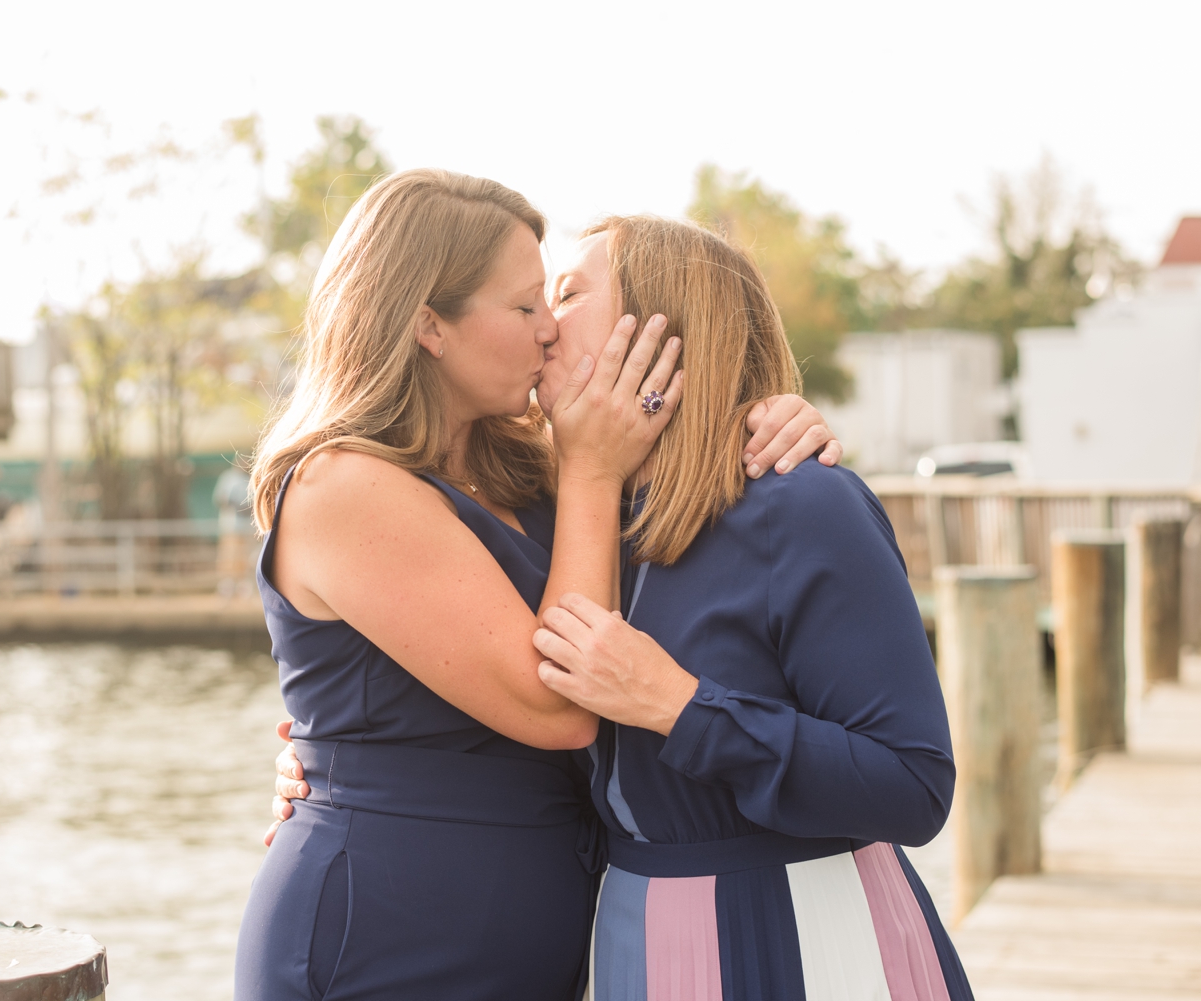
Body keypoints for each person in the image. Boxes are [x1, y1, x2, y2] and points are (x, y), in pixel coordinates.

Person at [237, 169, 839, 1001]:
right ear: (428, 325)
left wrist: (772, 418)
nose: (550, 329)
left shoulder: (524, 470)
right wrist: (592, 469)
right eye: (525, 307)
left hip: (536, 934)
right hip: (387, 935)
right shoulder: (342, 486)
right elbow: (559, 706)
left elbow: (686, 558)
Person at [531, 216, 972, 1000]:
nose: (539, 319)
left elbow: (915, 783)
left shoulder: (804, 504)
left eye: (565, 293)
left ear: (664, 324)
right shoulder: (564, 521)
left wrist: (680, 706)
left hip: (806, 935)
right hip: (631, 936)